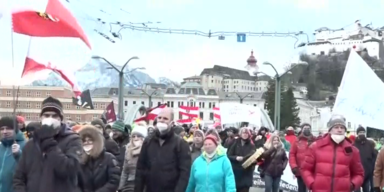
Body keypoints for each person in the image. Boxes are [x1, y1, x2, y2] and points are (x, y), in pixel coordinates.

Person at [13, 96, 83, 192]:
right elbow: (19, 177)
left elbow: (69, 170)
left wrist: (49, 143)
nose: (50, 118)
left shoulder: (73, 140)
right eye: (46, 115)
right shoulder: (31, 144)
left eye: (54, 116)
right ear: (41, 117)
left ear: (60, 119)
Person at [301, 115, 364, 192]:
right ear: (330, 130)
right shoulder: (316, 147)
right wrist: (312, 183)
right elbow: (305, 169)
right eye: (336, 127)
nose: (339, 130)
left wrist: (352, 185)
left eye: (342, 127)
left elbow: (359, 174)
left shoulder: (352, 150)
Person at [134, 108, 191, 192]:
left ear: (172, 122)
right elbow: (140, 169)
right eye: (159, 118)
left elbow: (184, 174)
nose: (161, 120)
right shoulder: (148, 141)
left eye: (165, 118)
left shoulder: (180, 144)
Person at [78, 125, 120, 192]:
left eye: (90, 140)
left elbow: (114, 181)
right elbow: (75, 182)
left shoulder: (109, 158)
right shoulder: (80, 161)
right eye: (84, 141)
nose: (87, 143)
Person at [0, 117, 26, 192]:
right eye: (2, 129)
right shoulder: (1, 147)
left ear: (16, 129)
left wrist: (19, 155)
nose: (5, 132)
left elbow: (31, 169)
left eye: (8, 128)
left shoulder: (26, 146)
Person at [119, 125, 147, 192]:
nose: (136, 138)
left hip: (144, 184)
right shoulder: (128, 150)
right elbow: (125, 171)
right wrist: (120, 187)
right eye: (133, 136)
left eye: (138, 136)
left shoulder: (148, 150)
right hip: (129, 184)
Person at [227, 128, 256, 192]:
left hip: (246, 173)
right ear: (240, 134)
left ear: (249, 134)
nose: (245, 134)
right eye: (243, 133)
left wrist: (253, 162)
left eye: (246, 133)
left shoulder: (252, 145)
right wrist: (236, 158)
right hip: (235, 173)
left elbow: (255, 158)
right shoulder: (235, 142)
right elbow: (228, 155)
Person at [289, 123, 315, 192]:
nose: (307, 130)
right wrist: (294, 166)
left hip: (312, 170)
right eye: (305, 128)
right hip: (300, 170)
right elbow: (292, 154)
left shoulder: (315, 140)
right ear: (302, 130)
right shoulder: (297, 141)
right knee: (301, 189)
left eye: (308, 128)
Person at [354, 126, 377, 192]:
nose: (362, 134)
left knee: (367, 190)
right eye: (360, 132)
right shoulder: (354, 145)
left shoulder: (370, 144)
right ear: (357, 133)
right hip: (356, 175)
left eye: (363, 132)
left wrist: (371, 169)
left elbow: (374, 157)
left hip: (367, 174)